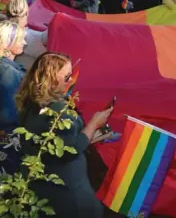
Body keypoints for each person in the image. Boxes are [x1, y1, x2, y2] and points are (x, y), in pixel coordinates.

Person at [17, 52, 113, 217]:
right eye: (67, 77)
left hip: (43, 187)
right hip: (67, 193)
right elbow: (71, 148)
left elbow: (56, 142)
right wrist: (94, 124)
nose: (71, 81)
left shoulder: (32, 104)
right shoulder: (57, 111)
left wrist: (90, 135)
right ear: (52, 79)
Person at [0, 21, 27, 196]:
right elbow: (7, 116)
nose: (24, 43)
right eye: (20, 40)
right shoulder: (7, 73)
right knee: (8, 196)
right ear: (7, 43)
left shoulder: (0, 66)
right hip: (7, 144)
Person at [5, 0, 48, 70]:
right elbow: (46, 58)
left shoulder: (2, 30)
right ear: (26, 13)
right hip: (24, 77)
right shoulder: (24, 35)